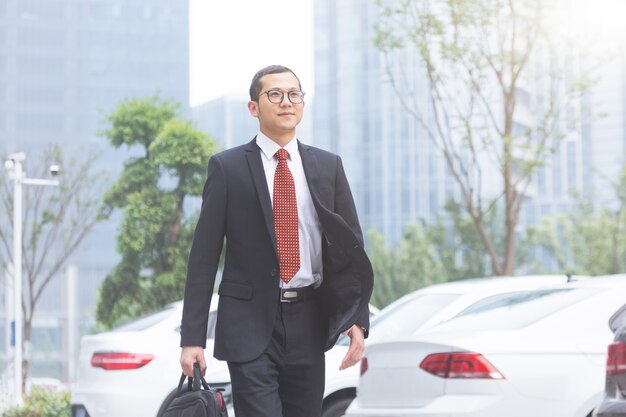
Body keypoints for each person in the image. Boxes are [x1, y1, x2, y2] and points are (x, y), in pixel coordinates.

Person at [179, 64, 373, 417]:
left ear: (302, 103)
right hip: (249, 324)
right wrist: (192, 338)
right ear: (253, 107)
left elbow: (350, 251)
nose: (286, 102)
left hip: (310, 321)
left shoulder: (328, 167)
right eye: (275, 95)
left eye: (294, 94)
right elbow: (204, 258)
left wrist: (356, 317)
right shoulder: (228, 168)